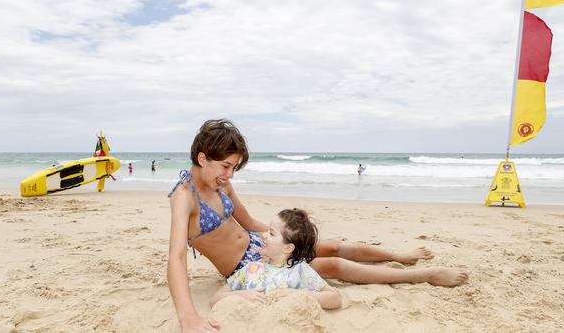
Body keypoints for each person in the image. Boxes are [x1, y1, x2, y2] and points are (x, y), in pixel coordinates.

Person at [168, 119, 469, 333]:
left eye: (234, 167)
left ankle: (400, 255)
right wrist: (188, 317)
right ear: (202, 157)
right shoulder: (184, 198)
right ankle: (424, 275)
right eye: (225, 166)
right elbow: (176, 258)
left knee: (333, 245)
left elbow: (248, 222)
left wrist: (283, 239)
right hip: (243, 269)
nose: (230, 175)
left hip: (262, 247)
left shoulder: (221, 185)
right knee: (334, 264)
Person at [210, 208, 341, 310]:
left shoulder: (300, 270)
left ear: (288, 248)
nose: (264, 235)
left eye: (271, 233)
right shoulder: (251, 268)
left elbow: (335, 299)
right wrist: (241, 295)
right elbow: (215, 299)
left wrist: (299, 295)